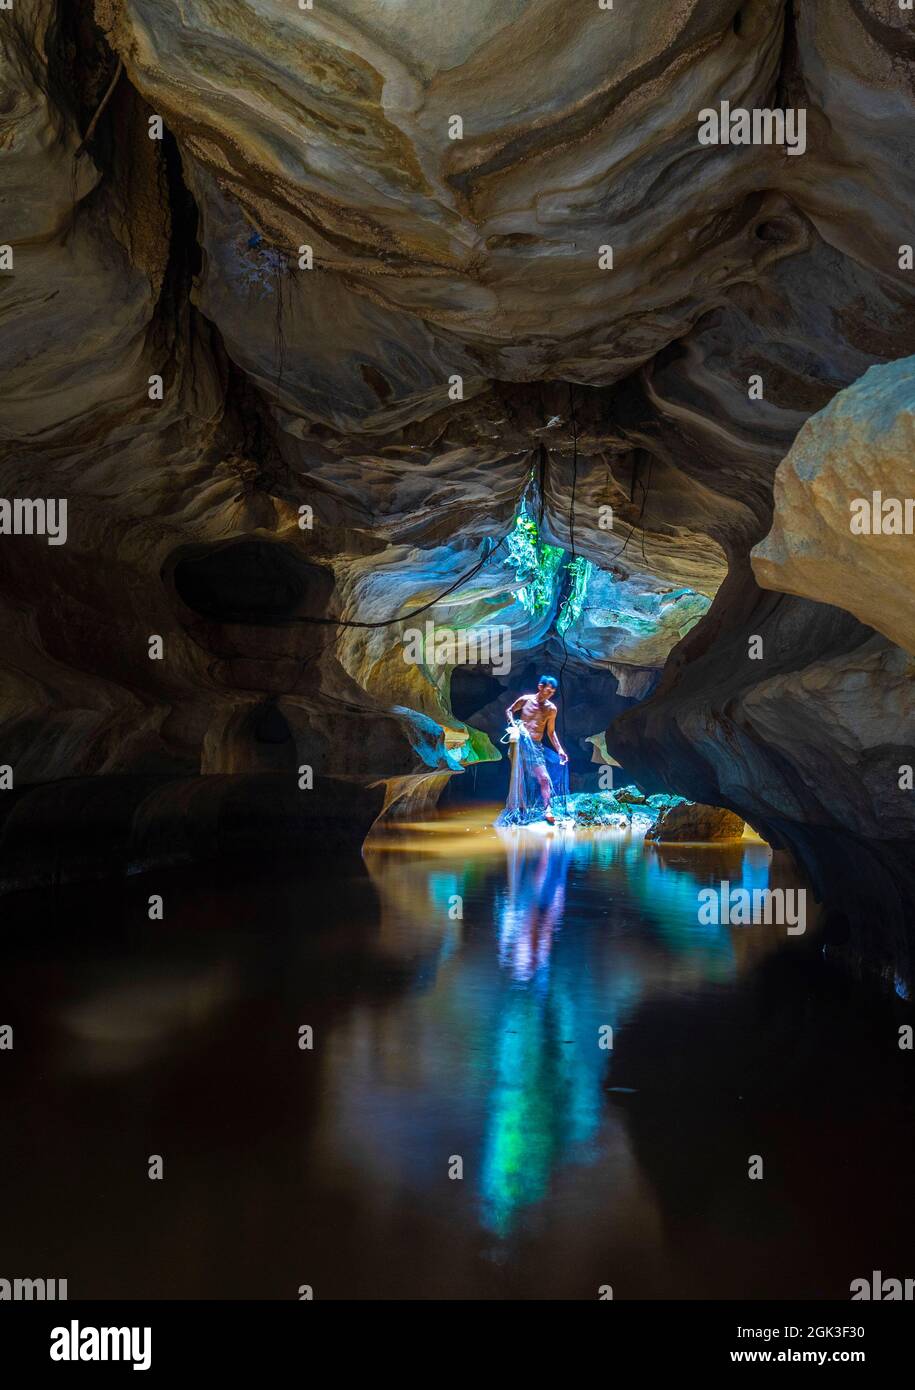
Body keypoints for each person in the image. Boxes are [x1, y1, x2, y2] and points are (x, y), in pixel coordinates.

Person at [505, 675, 568, 824]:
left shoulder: (551, 709)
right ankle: (520, 809)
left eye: (552, 692)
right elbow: (510, 710)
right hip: (520, 743)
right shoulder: (526, 700)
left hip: (536, 746)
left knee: (544, 778)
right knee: (518, 777)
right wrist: (514, 725)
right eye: (547, 690)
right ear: (540, 687)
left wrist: (560, 750)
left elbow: (551, 732)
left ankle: (548, 810)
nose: (549, 694)